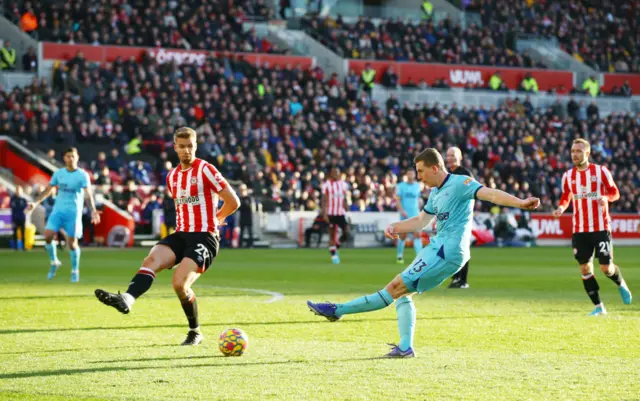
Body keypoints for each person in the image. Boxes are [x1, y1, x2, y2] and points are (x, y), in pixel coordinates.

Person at [308, 148, 540, 358]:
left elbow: (491, 194)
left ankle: (337, 310)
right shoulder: (436, 194)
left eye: (421, 171)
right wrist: (396, 227)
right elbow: (421, 221)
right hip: (436, 249)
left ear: (434, 168)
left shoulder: (461, 183)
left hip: (447, 252)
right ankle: (405, 347)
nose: (419, 177)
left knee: (394, 288)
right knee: (402, 293)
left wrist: (521, 203)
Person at [94, 127, 240, 346]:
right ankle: (127, 298)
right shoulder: (172, 177)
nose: (186, 151)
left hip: (204, 237)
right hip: (181, 234)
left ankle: (195, 331)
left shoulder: (206, 170)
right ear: (175, 148)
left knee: (179, 284)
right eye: (182, 147)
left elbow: (233, 201)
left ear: (196, 146)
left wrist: (217, 218)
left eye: (190, 146)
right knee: (151, 260)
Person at [553, 138, 632, 316]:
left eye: (579, 151)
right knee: (585, 268)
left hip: (601, 227)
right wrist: (561, 207)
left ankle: (620, 283)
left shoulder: (601, 171)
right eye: (573, 151)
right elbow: (566, 196)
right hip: (579, 229)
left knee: (606, 267)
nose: (575, 154)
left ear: (587, 153)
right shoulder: (568, 176)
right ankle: (599, 307)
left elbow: (615, 192)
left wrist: (606, 198)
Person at [26, 148, 100, 282]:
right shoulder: (58, 174)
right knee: (48, 236)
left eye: (73, 156)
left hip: (73, 213)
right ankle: (54, 261)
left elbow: (88, 194)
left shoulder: (82, 175)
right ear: (64, 158)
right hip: (58, 211)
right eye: (68, 156)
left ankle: (74, 270)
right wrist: (35, 203)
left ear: (77, 157)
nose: (70, 159)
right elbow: (48, 191)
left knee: (72, 244)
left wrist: (93, 210)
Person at [446, 146, 473, 288]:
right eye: (448, 155)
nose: (450, 158)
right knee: (450, 248)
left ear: (460, 157)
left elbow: (473, 192)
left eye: (453, 155)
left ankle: (463, 280)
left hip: (462, 217)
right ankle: (455, 277)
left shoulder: (465, 174)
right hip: (448, 217)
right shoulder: (446, 174)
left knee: (462, 248)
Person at [321, 167, 350, 264]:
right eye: (333, 172)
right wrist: (324, 213)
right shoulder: (327, 185)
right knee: (332, 235)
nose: (335, 174)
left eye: (336, 172)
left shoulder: (344, 185)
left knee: (346, 232)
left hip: (341, 213)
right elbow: (324, 199)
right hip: (330, 213)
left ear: (339, 174)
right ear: (330, 174)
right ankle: (334, 256)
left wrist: (347, 209)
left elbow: (345, 198)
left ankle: (337, 244)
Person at [394, 169, 423, 263]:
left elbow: (418, 199)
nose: (410, 175)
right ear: (406, 175)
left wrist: (420, 210)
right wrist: (401, 210)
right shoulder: (400, 186)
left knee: (417, 235)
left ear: (414, 175)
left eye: (412, 173)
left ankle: (420, 256)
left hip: (415, 214)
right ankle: (399, 255)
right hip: (405, 215)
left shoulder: (417, 186)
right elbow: (397, 200)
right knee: (403, 235)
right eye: (408, 173)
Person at [10, 186, 28, 250]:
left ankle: (23, 246)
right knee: (15, 233)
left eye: (19, 191)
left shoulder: (24, 199)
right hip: (15, 218)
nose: (18, 192)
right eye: (17, 190)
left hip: (22, 218)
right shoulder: (12, 199)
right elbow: (12, 208)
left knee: (23, 232)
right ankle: (15, 247)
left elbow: (26, 208)